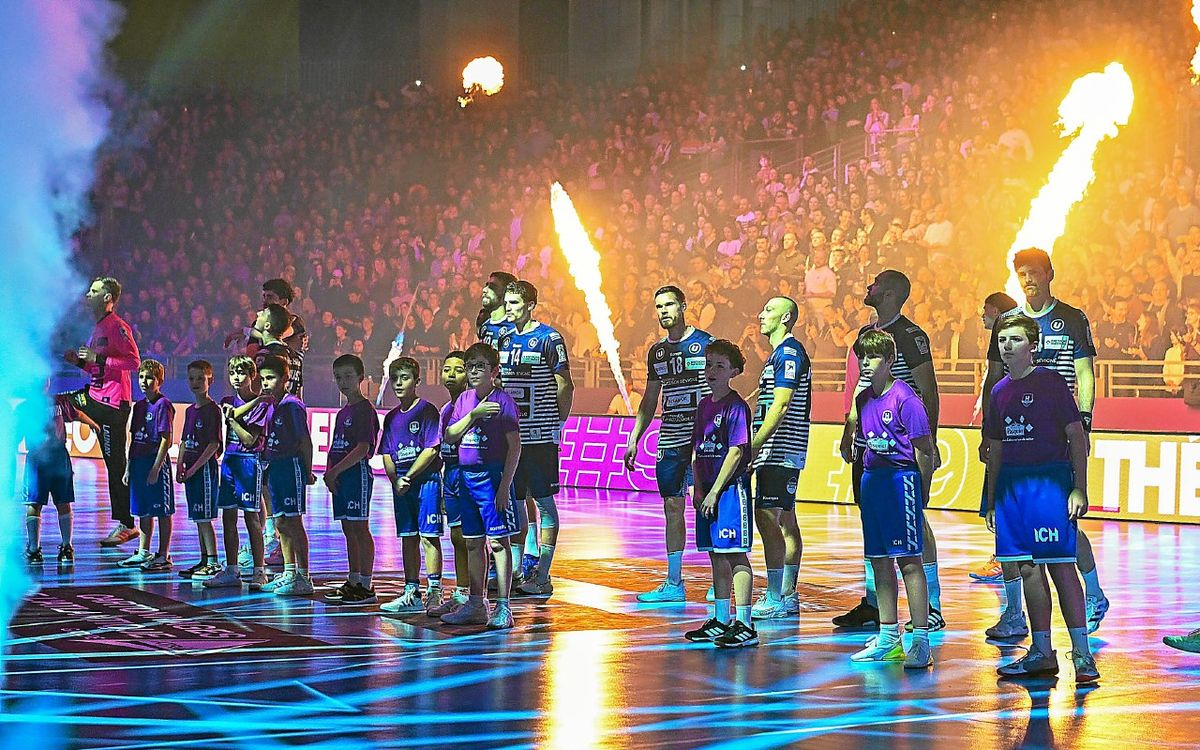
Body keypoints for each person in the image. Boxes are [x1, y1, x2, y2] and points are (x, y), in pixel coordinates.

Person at [985, 248, 1109, 637]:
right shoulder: (1007, 322)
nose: (1028, 280)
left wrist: (1084, 422)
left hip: (1056, 434)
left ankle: (1093, 593)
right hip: (1013, 433)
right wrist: (988, 430)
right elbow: (993, 377)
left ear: (1050, 274)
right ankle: (1013, 612)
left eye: (1034, 272)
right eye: (1021, 273)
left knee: (1060, 523)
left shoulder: (1072, 319)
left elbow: (1085, 373)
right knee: (1009, 524)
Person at [986, 314, 1099, 684]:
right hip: (1011, 490)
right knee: (1028, 569)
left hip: (1050, 484)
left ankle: (1082, 655)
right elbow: (996, 449)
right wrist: (990, 499)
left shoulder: (1050, 382)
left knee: (1061, 567)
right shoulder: (998, 391)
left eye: (1015, 339)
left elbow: (1076, 436)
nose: (1007, 345)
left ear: (1031, 345)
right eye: (1002, 339)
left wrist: (1079, 487)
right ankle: (1042, 652)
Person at [835, 270, 943, 632]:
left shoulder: (911, 337)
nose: (869, 287)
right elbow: (858, 390)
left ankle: (931, 604)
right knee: (874, 524)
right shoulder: (866, 334)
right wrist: (849, 431)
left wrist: (931, 439)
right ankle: (874, 603)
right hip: (868, 445)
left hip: (901, 443)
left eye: (877, 283)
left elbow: (928, 389)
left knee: (915, 525)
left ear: (892, 293)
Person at [849, 330, 936, 668]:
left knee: (909, 563)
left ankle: (921, 641)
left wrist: (922, 489)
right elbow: (858, 444)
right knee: (879, 560)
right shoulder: (862, 400)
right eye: (861, 358)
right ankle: (888, 636)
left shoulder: (907, 400)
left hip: (902, 482)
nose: (865, 364)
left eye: (871, 358)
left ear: (888, 361)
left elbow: (925, 451)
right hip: (874, 483)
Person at [624, 285, 715, 602]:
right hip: (671, 436)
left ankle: (721, 579)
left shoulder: (706, 344)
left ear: (684, 306)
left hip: (705, 437)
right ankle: (674, 583)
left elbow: (725, 387)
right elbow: (650, 401)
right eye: (658, 306)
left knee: (707, 505)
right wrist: (635, 437)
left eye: (669, 305)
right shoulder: (657, 352)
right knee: (672, 506)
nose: (663, 311)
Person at [498, 281, 573, 596]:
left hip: (540, 436)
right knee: (514, 503)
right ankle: (516, 570)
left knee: (543, 501)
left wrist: (557, 421)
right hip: (511, 436)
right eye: (507, 302)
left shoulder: (549, 338)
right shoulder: (503, 340)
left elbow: (565, 384)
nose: (509, 308)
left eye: (515, 302)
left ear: (530, 305)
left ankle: (543, 573)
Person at [683, 339, 759, 648]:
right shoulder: (704, 405)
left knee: (734, 553)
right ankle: (721, 618)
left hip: (728, 492)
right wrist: (698, 487)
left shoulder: (736, 407)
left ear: (734, 372)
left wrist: (715, 490)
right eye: (709, 363)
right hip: (708, 491)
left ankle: (745, 623)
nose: (711, 370)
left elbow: (736, 451)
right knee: (715, 554)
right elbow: (697, 448)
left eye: (720, 366)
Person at [442, 342, 523, 629]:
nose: (474, 372)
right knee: (473, 543)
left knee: (499, 544)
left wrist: (504, 487)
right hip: (466, 478)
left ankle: (504, 607)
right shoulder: (464, 400)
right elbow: (450, 435)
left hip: (492, 479)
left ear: (494, 371)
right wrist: (473, 415)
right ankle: (476, 604)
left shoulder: (504, 401)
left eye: (480, 367)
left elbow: (515, 447)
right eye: (470, 367)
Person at [63, 277, 141, 548]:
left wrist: (98, 359)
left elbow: (133, 361)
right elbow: (98, 370)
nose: (88, 294)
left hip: (112, 404)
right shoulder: (96, 328)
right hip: (97, 397)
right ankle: (92, 425)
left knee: (115, 463)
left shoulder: (118, 327)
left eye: (94, 291)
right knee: (62, 403)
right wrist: (80, 363)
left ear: (107, 298)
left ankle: (128, 524)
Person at [746, 297, 811, 619]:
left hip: (780, 449)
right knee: (785, 520)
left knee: (767, 517)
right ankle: (787, 592)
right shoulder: (777, 354)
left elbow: (781, 405)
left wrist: (754, 446)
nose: (761, 313)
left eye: (769, 310)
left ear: (786, 317)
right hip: (779, 449)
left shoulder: (788, 353)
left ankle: (775, 595)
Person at [378, 357, 445, 614]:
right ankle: (411, 591)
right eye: (394, 379)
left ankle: (435, 591)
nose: (398, 383)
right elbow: (386, 452)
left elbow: (431, 449)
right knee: (408, 538)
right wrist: (396, 479)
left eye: (404, 378)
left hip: (425, 482)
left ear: (417, 381)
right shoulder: (392, 417)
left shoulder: (427, 410)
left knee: (429, 537)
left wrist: (409, 477)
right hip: (402, 486)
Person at [206, 356, 271, 589]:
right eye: (233, 373)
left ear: (252, 376)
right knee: (228, 517)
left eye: (242, 373)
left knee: (251, 518)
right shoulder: (226, 400)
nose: (236, 377)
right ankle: (231, 570)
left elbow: (251, 440)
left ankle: (259, 569)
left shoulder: (263, 405)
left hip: (249, 463)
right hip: (230, 461)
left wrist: (232, 421)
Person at [969, 292, 1019, 584]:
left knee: (1001, 492)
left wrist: (989, 427)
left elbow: (993, 382)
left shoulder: (1006, 331)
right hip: (1004, 424)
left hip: (1008, 426)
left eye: (986, 310)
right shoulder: (1000, 341)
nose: (982, 316)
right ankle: (1005, 555)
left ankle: (1005, 557)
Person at [256, 354, 315, 596]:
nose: (265, 383)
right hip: (275, 468)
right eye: (262, 379)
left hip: (291, 468)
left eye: (270, 378)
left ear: (284, 379)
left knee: (293, 521)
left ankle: (304, 576)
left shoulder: (292, 405)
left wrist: (307, 471)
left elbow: (304, 441)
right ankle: (289, 572)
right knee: (279, 521)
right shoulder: (271, 406)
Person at [324, 354, 380, 606]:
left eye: (348, 376)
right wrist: (330, 472)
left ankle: (366, 586)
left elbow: (362, 448)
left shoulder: (364, 409)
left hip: (356, 475)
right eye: (338, 377)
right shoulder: (342, 412)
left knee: (359, 528)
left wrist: (335, 471)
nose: (343, 382)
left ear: (360, 378)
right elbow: (335, 446)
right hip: (341, 477)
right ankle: (353, 579)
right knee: (348, 529)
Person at [427, 351, 474, 618]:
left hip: (470, 476)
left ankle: (474, 595)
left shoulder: (474, 405)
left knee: (472, 539)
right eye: (447, 369)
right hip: (452, 476)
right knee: (456, 537)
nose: (451, 375)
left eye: (458, 369)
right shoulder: (445, 410)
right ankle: (460, 592)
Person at [119, 359, 175, 572]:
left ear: (159, 380)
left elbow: (165, 439)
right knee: (142, 510)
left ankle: (163, 554)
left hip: (154, 463)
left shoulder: (163, 405)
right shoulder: (139, 406)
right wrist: (127, 467)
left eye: (149, 377)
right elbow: (132, 439)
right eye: (141, 376)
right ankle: (144, 551)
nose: (144, 381)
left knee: (162, 510)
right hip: (138, 463)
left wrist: (156, 468)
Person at [21, 390, 85, 564]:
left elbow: (77, 414)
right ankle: (35, 549)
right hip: (38, 457)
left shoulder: (58, 400)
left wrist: (93, 424)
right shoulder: (27, 406)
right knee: (35, 504)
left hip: (56, 456)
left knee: (62, 503)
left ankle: (65, 547)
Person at [175, 360, 223, 580]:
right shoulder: (190, 410)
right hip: (191, 470)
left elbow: (213, 445)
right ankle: (204, 559)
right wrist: (180, 465)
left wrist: (194, 468)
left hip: (204, 471)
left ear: (210, 379)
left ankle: (213, 561)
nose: (195, 382)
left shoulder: (213, 410)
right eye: (192, 378)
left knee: (205, 518)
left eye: (200, 378)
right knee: (197, 516)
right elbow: (185, 440)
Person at [478, 271, 518, 348]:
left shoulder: (514, 328)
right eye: (486, 285)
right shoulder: (485, 327)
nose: (485, 290)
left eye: (492, 287)